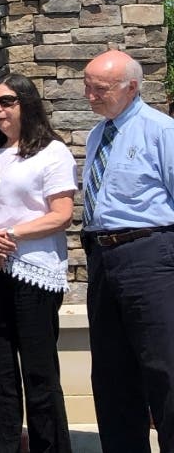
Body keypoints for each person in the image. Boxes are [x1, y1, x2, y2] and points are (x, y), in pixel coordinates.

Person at [0, 73, 75, 453]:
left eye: (8, 101)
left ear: (27, 104)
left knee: (39, 374)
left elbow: (61, 213)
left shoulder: (52, 152)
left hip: (35, 272)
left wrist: (10, 235)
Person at [79, 50, 174, 452]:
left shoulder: (161, 131)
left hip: (149, 254)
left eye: (99, 89)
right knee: (112, 373)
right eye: (87, 86)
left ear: (131, 88)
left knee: (164, 368)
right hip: (103, 256)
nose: (90, 96)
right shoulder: (98, 133)